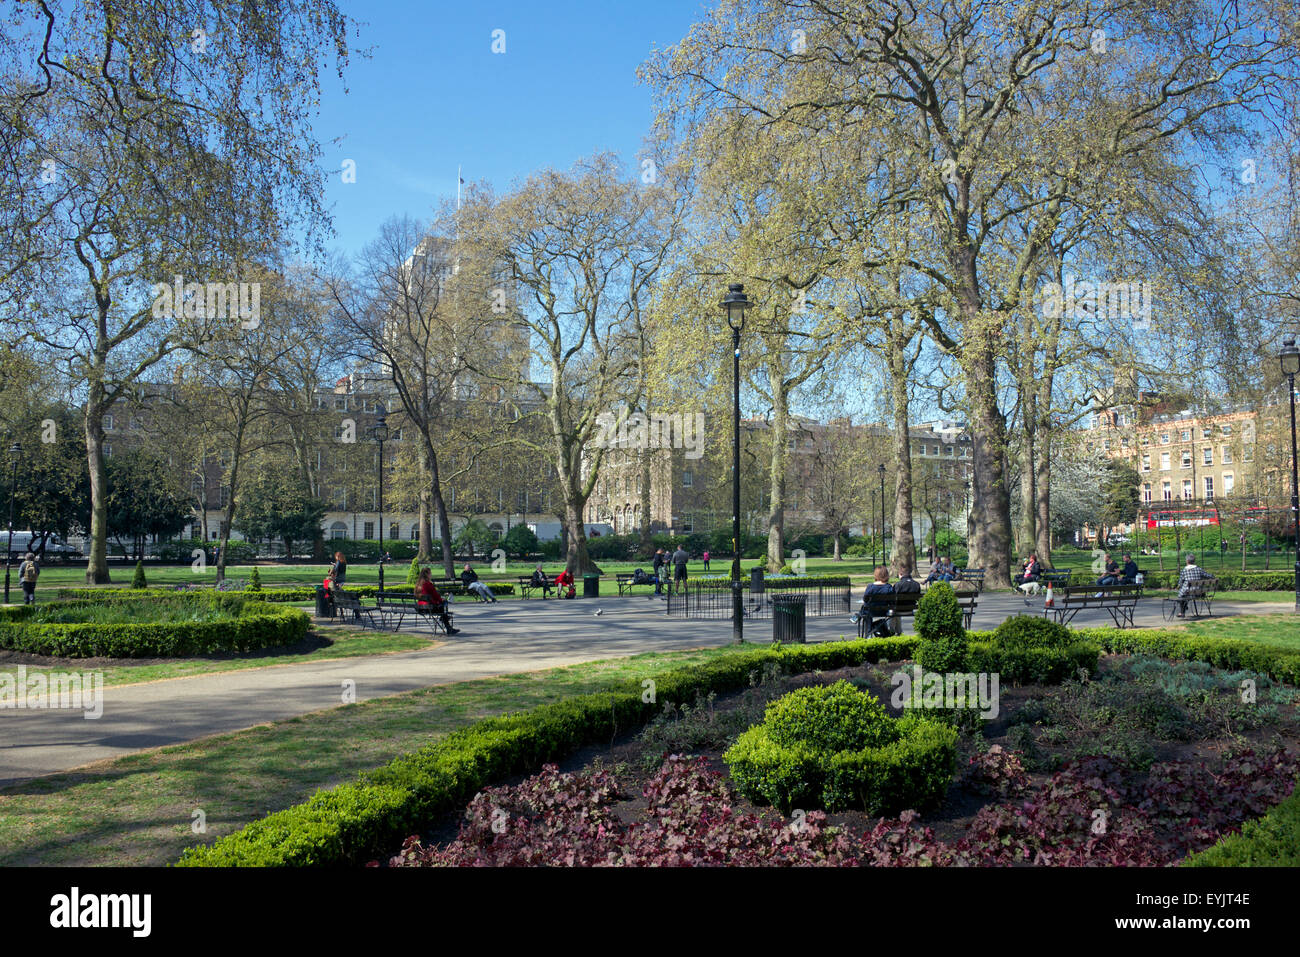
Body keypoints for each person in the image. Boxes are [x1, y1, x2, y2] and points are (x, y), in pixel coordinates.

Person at [849, 566, 895, 637]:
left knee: (865, 609)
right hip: (883, 611)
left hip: (870, 611)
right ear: (886, 575)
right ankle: (859, 617)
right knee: (866, 609)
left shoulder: (870, 587)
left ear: (875, 575)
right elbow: (892, 601)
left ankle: (866, 631)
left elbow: (865, 599)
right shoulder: (889, 587)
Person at [416, 568, 459, 634]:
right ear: (427, 574)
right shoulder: (428, 584)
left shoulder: (418, 584)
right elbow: (436, 596)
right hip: (429, 607)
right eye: (430, 573)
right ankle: (446, 621)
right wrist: (442, 600)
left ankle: (445, 618)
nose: (431, 575)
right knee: (444, 603)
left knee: (442, 605)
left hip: (420, 607)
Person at [1175, 553, 1212, 618]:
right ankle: (1183, 608)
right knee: (1184, 595)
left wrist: (1179, 585)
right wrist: (1213, 576)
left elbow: (1180, 582)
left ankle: (1182, 612)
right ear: (1194, 561)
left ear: (1187, 561)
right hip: (1198, 592)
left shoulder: (1184, 570)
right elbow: (1208, 576)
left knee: (1181, 596)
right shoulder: (1199, 569)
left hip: (1188, 593)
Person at [890, 569, 921, 636]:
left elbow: (893, 599)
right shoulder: (917, 584)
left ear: (900, 575)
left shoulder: (897, 585)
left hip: (898, 610)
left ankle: (892, 631)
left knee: (894, 610)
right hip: (910, 610)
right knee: (896, 609)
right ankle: (899, 631)